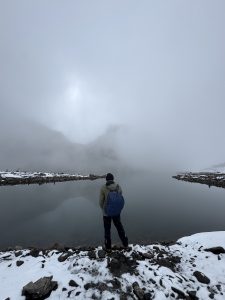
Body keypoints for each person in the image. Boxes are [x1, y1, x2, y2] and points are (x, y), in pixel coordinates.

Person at [99, 172, 128, 250]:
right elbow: (120, 196)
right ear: (113, 179)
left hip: (106, 213)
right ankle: (125, 244)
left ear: (106, 179)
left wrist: (104, 209)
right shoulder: (118, 186)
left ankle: (108, 247)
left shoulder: (103, 187)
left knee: (107, 230)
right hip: (116, 212)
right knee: (119, 227)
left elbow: (101, 202)